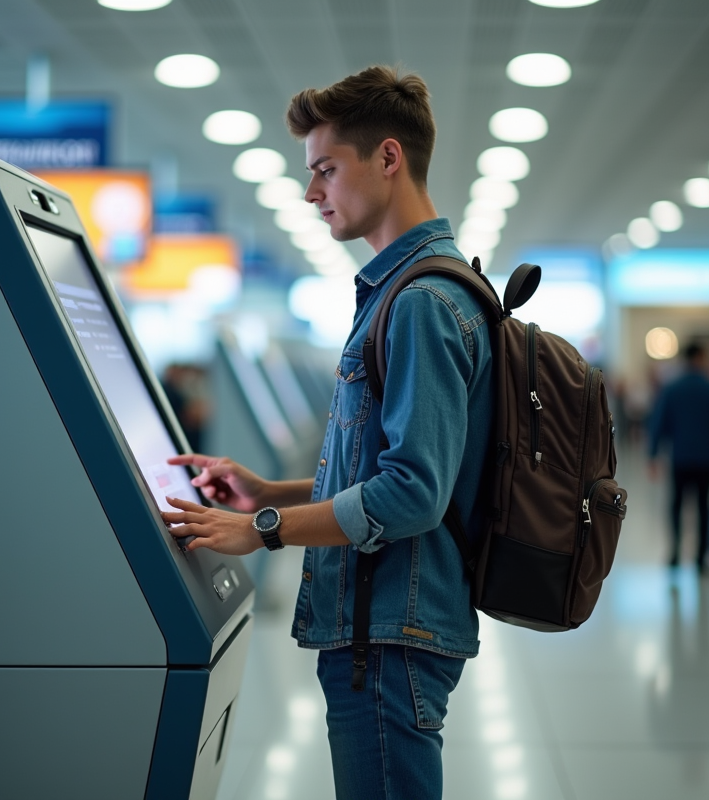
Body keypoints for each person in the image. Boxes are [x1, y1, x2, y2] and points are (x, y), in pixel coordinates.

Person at [161, 66, 492, 799]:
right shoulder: (402, 293)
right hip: (384, 628)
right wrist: (264, 492)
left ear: (387, 158)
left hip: (390, 635)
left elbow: (411, 495)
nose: (313, 193)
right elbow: (389, 470)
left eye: (324, 170)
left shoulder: (420, 303)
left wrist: (267, 528)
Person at [648, 342, 709, 572]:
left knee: (676, 505)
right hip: (706, 458)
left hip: (679, 458)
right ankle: (701, 557)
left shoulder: (671, 389)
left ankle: (675, 552)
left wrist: (652, 454)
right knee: (703, 507)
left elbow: (658, 423)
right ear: (700, 357)